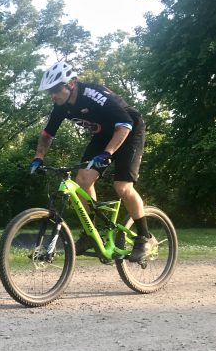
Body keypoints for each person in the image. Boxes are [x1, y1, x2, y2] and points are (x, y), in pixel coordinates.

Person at [29, 61, 155, 263]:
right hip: (104, 135)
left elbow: (125, 124)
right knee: (83, 180)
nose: (53, 95)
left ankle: (144, 237)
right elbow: (47, 134)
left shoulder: (92, 94)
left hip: (129, 130)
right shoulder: (61, 106)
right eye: (50, 92)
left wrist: (108, 153)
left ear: (70, 84)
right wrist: (38, 157)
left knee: (122, 187)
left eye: (56, 89)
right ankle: (91, 233)